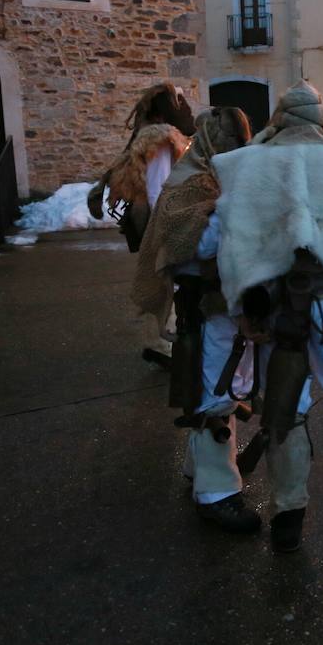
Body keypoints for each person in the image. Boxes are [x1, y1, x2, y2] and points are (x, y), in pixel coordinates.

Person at [209, 82, 323, 553]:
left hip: (271, 308)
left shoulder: (249, 163)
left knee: (286, 410)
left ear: (280, 117)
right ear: (319, 116)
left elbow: (223, 233)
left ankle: (288, 513)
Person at [128, 106, 258, 533]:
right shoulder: (189, 183)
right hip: (206, 306)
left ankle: (198, 470)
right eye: (230, 142)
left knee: (221, 385)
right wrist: (233, 209)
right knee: (216, 394)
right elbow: (191, 245)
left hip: (224, 305)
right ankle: (217, 494)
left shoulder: (216, 177)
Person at [87, 82, 196, 366]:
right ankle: (162, 343)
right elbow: (159, 187)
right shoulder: (161, 139)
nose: (186, 108)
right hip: (161, 219)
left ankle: (157, 342)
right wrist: (170, 222)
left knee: (162, 281)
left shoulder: (159, 136)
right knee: (165, 282)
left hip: (160, 217)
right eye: (180, 103)